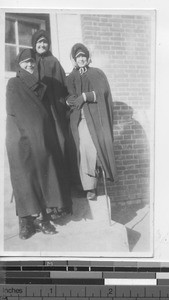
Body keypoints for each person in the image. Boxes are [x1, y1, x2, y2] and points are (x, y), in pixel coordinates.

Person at [6, 48, 69, 239]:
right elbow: (17, 109)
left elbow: (44, 112)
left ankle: (43, 219)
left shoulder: (41, 86)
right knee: (24, 176)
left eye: (32, 62)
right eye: (25, 62)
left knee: (43, 172)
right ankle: (25, 222)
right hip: (20, 135)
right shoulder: (14, 83)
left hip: (38, 135)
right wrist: (35, 128)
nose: (30, 65)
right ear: (19, 64)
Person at [66, 43, 117, 200]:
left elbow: (103, 92)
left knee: (89, 146)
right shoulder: (71, 77)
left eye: (83, 56)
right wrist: (70, 100)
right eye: (78, 57)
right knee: (77, 148)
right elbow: (66, 95)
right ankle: (81, 184)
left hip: (94, 119)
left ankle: (91, 187)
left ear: (88, 58)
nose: (81, 59)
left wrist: (86, 96)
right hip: (77, 119)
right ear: (74, 60)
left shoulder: (96, 73)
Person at [31, 29, 72, 217]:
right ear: (33, 44)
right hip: (37, 114)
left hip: (54, 112)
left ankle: (60, 203)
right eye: (39, 42)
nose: (42, 45)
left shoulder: (54, 62)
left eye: (45, 42)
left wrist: (63, 103)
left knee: (59, 147)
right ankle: (45, 203)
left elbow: (64, 86)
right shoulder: (29, 63)